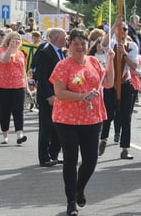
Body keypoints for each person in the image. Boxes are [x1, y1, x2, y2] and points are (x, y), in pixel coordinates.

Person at [50, 28, 115, 216]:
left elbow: (108, 83)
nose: (80, 47)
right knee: (70, 160)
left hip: (92, 118)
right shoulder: (63, 66)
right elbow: (59, 92)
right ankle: (71, 201)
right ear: (69, 45)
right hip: (67, 119)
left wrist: (110, 63)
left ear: (88, 45)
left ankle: (79, 188)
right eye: (76, 44)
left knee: (91, 159)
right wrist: (82, 96)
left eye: (83, 43)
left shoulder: (94, 61)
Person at [99, 19, 140, 159]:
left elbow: (134, 66)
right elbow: (103, 43)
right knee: (108, 114)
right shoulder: (111, 43)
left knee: (125, 117)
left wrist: (124, 54)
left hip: (124, 84)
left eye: (125, 29)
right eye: (120, 29)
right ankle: (103, 139)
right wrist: (114, 26)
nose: (123, 32)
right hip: (111, 84)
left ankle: (125, 148)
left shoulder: (132, 46)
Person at [32, 28, 66, 167]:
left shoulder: (61, 53)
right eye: (64, 37)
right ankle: (44, 157)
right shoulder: (44, 52)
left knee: (59, 128)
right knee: (46, 128)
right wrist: (49, 95)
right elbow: (41, 76)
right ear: (56, 37)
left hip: (61, 96)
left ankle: (54, 154)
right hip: (49, 97)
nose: (66, 39)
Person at [0, 31, 28, 145]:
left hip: (18, 85)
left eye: (18, 40)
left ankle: (19, 135)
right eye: (14, 39)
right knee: (5, 111)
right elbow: (5, 60)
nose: (17, 41)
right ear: (8, 41)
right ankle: (5, 135)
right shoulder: (0, 51)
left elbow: (23, 71)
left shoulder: (21, 54)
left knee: (19, 110)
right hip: (3, 86)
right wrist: (10, 48)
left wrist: (26, 87)